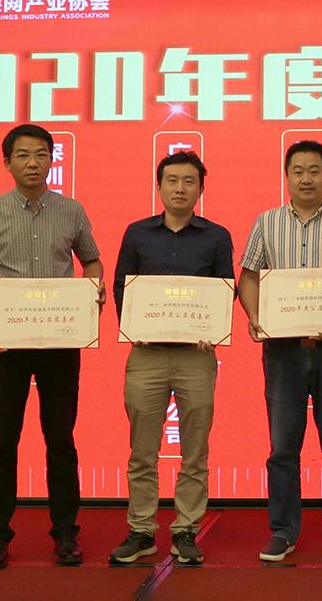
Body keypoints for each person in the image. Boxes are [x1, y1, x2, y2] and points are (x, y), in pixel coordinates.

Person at [0, 124, 104, 571]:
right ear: (7, 163)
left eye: (41, 154)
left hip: (60, 341)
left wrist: (92, 294)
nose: (33, 163)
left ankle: (66, 535)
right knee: (3, 441)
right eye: (22, 155)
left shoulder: (72, 211)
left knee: (60, 440)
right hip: (7, 345)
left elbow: (92, 262)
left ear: (52, 160)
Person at [237, 140, 322, 563]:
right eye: (298, 171)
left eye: (315, 170)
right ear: (287, 177)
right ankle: (283, 531)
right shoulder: (267, 223)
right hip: (283, 350)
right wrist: (256, 315)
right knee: (283, 446)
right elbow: (249, 277)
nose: (306, 179)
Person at [109, 151, 234, 567]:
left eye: (189, 181)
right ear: (159, 186)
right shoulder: (137, 233)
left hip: (196, 358)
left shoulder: (217, 236)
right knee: (142, 450)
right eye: (172, 180)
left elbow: (225, 289)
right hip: (146, 354)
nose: (180, 188)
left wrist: (213, 329)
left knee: (195, 450)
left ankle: (186, 530)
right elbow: (122, 288)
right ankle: (142, 530)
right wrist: (135, 325)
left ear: (201, 188)